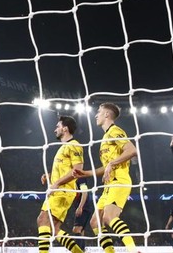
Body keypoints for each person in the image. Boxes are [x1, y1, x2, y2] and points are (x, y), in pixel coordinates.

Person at [73, 103, 139, 253]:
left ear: (107, 115)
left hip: (119, 181)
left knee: (109, 217)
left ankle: (133, 250)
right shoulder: (105, 137)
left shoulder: (115, 131)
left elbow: (132, 150)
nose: (96, 115)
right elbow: (106, 166)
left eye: (99, 112)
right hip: (108, 185)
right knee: (95, 222)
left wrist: (112, 164)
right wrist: (87, 173)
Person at [37, 116, 85, 253]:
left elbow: (78, 169)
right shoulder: (63, 147)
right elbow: (66, 169)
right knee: (54, 230)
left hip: (63, 191)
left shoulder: (74, 145)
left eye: (57, 126)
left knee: (42, 220)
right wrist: (51, 176)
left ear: (65, 128)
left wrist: (57, 183)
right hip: (61, 190)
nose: (55, 129)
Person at [71, 178, 95, 250]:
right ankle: (82, 250)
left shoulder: (80, 179)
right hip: (84, 207)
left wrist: (80, 207)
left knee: (76, 229)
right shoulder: (72, 180)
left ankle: (78, 251)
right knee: (81, 231)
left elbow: (85, 192)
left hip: (84, 208)